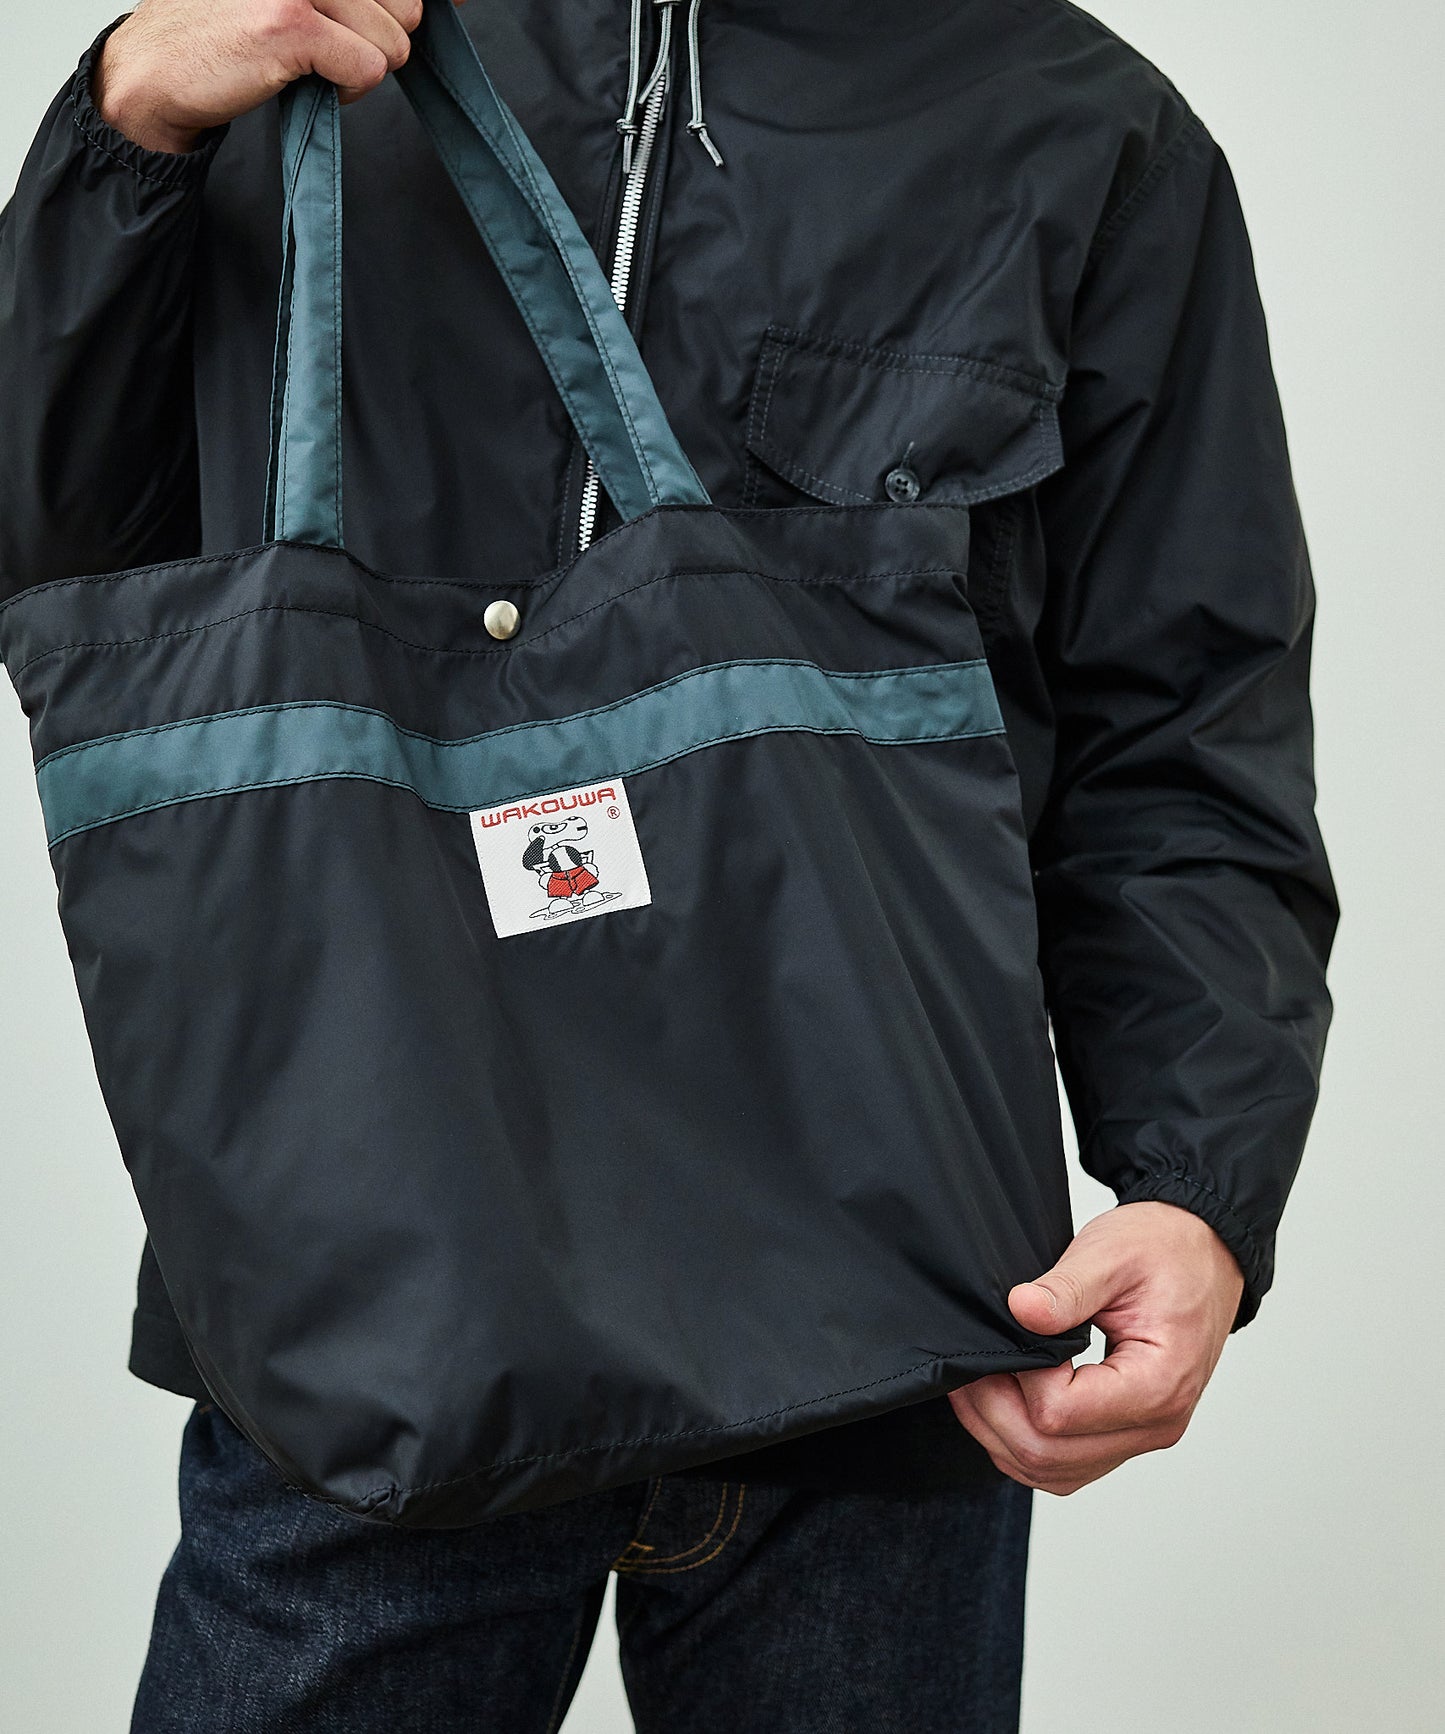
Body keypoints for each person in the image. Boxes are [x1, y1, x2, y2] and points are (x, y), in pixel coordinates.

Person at [0, 2, 1336, 1729]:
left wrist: (1199, 1184)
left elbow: (1180, 724)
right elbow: (63, 578)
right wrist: (127, 128)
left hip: (881, 1332)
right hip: (368, 1308)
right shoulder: (277, 49)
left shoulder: (1080, 131)